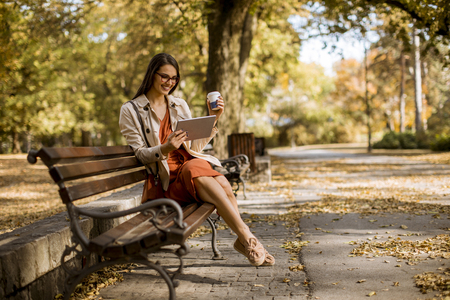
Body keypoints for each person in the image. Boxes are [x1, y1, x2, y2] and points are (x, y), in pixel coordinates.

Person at [119, 53, 274, 267]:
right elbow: (139, 154)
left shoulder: (179, 105)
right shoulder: (131, 110)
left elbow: (195, 148)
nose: (169, 83)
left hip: (191, 171)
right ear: (151, 74)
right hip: (166, 184)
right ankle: (246, 237)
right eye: (165, 76)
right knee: (200, 171)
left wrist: (214, 117)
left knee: (211, 175)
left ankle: (245, 238)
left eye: (174, 78)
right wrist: (164, 148)